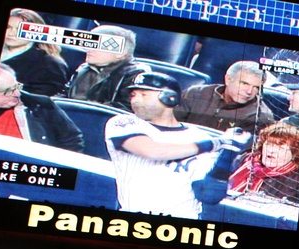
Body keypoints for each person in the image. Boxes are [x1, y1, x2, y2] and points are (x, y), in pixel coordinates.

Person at [104, 72, 247, 218]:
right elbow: (153, 151)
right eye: (133, 95)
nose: (135, 100)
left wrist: (227, 155)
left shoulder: (198, 137)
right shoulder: (123, 123)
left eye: (144, 94)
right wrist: (216, 143)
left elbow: (208, 195)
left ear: (169, 98)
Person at [0, 64, 84, 153]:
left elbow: (72, 140)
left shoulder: (41, 105)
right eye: (8, 91)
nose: (17, 94)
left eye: (17, 86)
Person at [65, 25, 150, 111]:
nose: (89, 49)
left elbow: (127, 108)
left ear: (120, 53)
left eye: (98, 46)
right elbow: (64, 95)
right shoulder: (83, 69)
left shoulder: (136, 74)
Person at [174, 60, 274, 132]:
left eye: (256, 87)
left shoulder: (261, 116)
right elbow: (170, 125)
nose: (249, 91)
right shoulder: (195, 94)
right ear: (228, 79)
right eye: (244, 83)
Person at [228, 122, 299, 202]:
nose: (271, 151)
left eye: (280, 148)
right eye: (268, 145)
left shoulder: (297, 183)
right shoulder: (243, 160)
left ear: (294, 153)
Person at [0, 8, 68, 96]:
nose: (11, 33)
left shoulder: (49, 64)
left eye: (20, 29)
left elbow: (39, 100)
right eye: (8, 27)